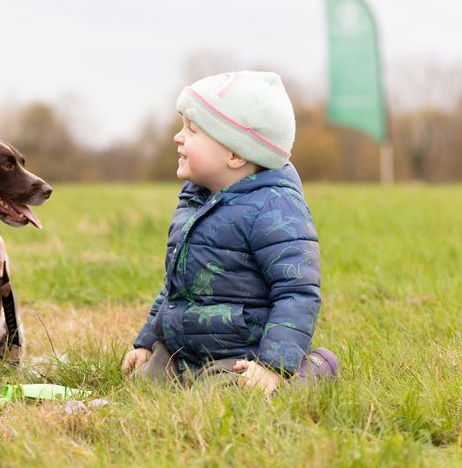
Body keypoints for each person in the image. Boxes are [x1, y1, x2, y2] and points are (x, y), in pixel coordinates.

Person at [121, 71, 338, 394]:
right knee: (143, 387)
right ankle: (179, 372)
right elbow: (175, 287)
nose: (178, 137)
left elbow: (296, 292)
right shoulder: (194, 201)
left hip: (241, 354)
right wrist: (147, 341)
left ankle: (315, 369)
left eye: (192, 130)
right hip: (185, 351)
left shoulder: (274, 208)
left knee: (224, 399)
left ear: (236, 154)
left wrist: (273, 365)